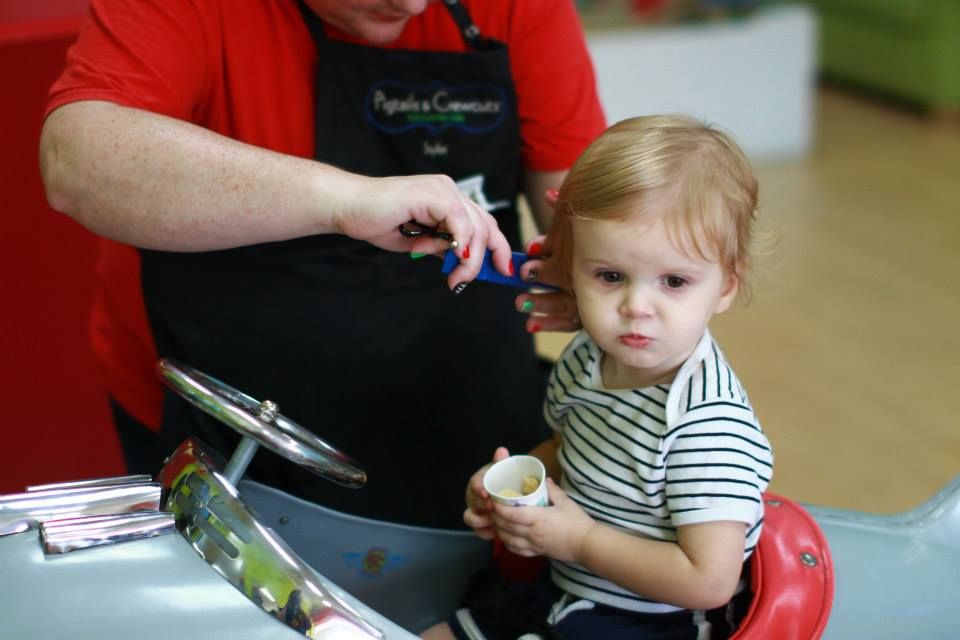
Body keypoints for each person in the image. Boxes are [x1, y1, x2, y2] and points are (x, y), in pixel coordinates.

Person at [38, 0, 604, 529]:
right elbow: (77, 159)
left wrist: (616, 280)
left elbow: (590, 213)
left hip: (463, 421)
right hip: (221, 430)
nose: (411, 6)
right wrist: (344, 200)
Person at [424, 115, 774, 640]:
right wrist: (520, 489)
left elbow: (710, 581)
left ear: (726, 286)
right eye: (610, 276)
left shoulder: (709, 426)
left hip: (652, 622)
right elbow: (570, 449)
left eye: (674, 281)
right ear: (568, 268)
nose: (636, 307)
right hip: (564, 588)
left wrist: (580, 541)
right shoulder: (588, 357)